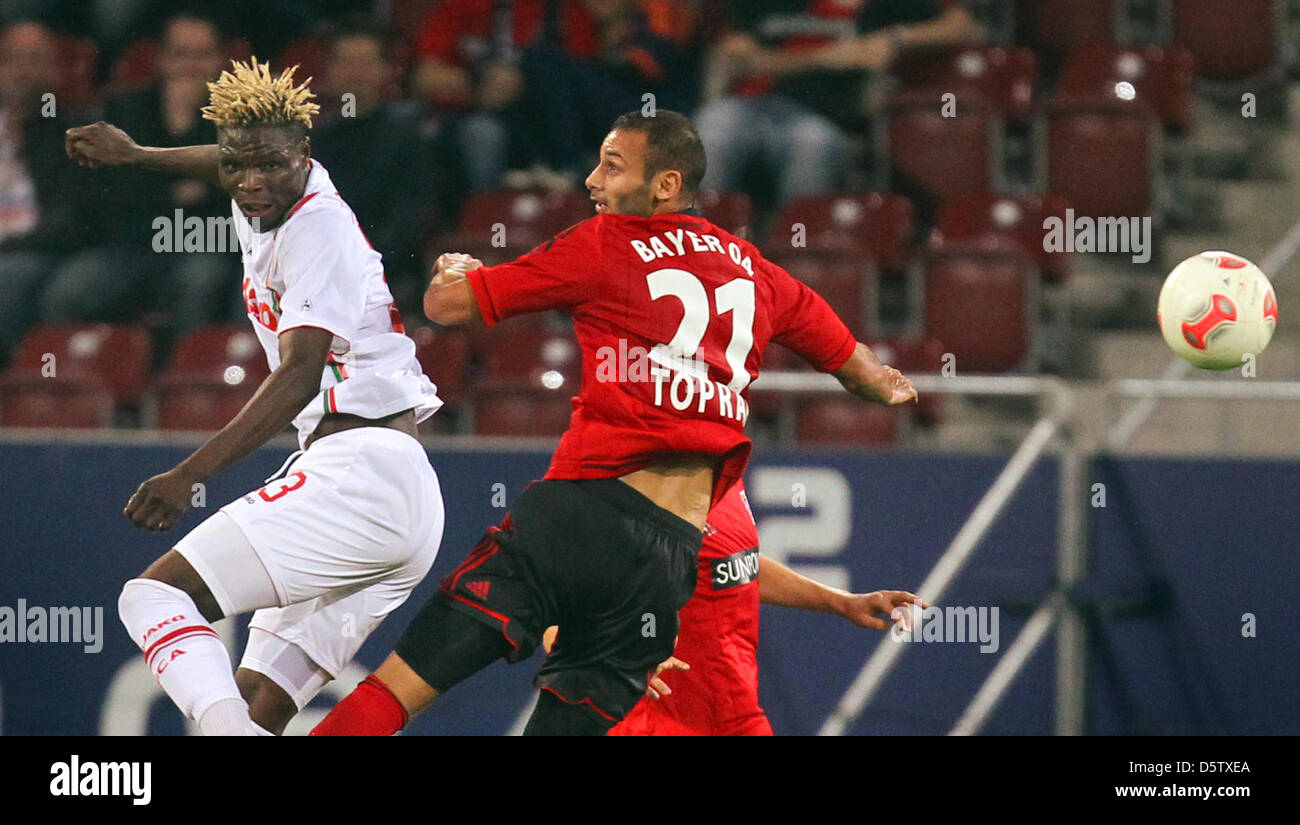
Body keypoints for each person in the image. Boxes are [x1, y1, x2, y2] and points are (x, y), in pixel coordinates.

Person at [311, 108, 917, 736]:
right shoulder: (758, 272)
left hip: (579, 516)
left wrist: (451, 273)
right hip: (666, 560)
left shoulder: (603, 244)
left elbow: (446, 307)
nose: (592, 180)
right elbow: (861, 372)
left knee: (402, 687)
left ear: (666, 185)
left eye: (612, 165)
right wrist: (889, 386)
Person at [64, 59, 445, 735]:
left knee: (153, 596)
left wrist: (190, 475)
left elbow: (299, 373)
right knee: (256, 706)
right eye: (239, 168)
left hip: (359, 475)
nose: (249, 182)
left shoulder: (317, 228)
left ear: (304, 154)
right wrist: (137, 154)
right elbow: (225, 155)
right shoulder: (264, 182)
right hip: (394, 497)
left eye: (268, 166)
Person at [602, 480, 926, 735]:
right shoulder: (631, 491)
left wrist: (843, 602)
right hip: (656, 720)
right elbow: (559, 618)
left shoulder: (726, 480)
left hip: (738, 715)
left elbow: (738, 566)